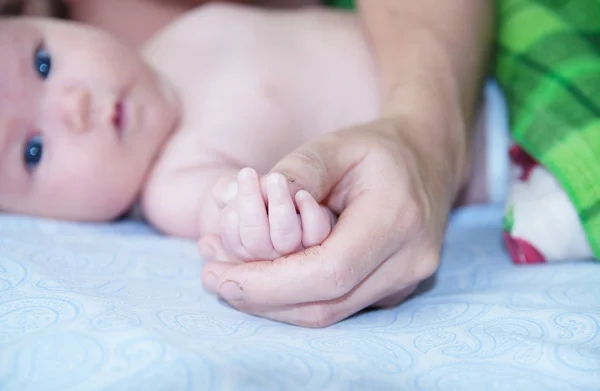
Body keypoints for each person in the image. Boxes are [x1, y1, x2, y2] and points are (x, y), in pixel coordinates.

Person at [0, 0, 495, 327]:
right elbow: (234, 212)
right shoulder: (174, 182)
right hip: (495, 150)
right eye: (33, 151)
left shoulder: (175, 35)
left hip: (481, 62)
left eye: (43, 63)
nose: (74, 106)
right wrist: (270, 223)